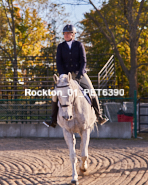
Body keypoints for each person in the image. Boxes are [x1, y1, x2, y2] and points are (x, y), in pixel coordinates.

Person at [44, 24, 108, 128]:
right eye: (65, 33)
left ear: (73, 34)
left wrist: (79, 75)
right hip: (65, 75)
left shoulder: (79, 45)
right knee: (55, 94)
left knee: (91, 91)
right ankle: (53, 119)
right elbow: (59, 62)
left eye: (68, 33)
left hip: (79, 73)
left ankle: (99, 116)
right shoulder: (60, 46)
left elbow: (83, 61)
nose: (66, 35)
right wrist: (62, 75)